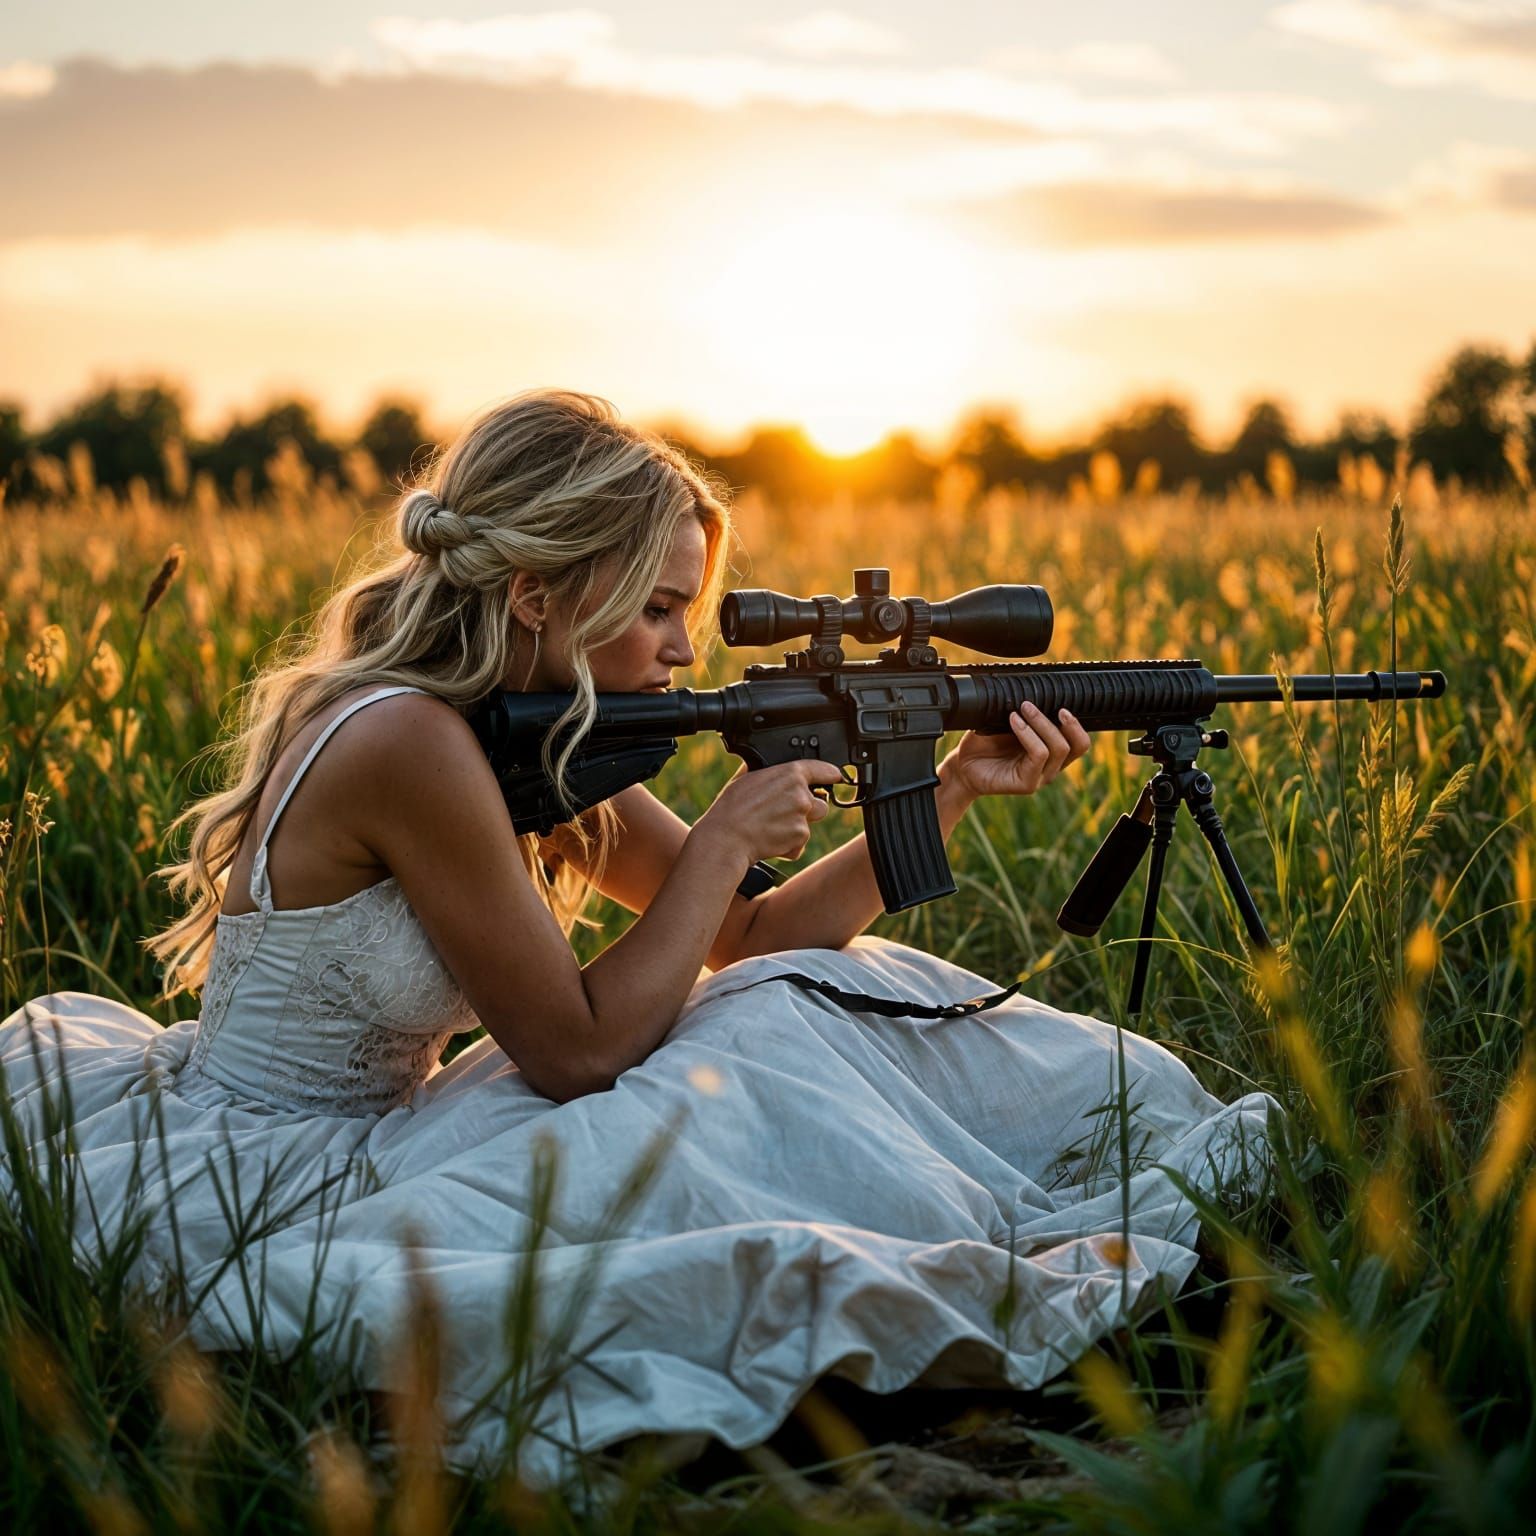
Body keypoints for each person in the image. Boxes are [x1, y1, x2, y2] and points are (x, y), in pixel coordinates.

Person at [2, 390, 1273, 1486]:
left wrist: (948, 793)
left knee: (791, 994)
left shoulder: (536, 732)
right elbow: (575, 1052)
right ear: (542, 592)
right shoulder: (407, 742)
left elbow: (760, 933)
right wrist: (721, 836)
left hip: (389, 1128)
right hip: (278, 1172)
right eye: (661, 607)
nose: (683, 645)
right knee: (754, 1050)